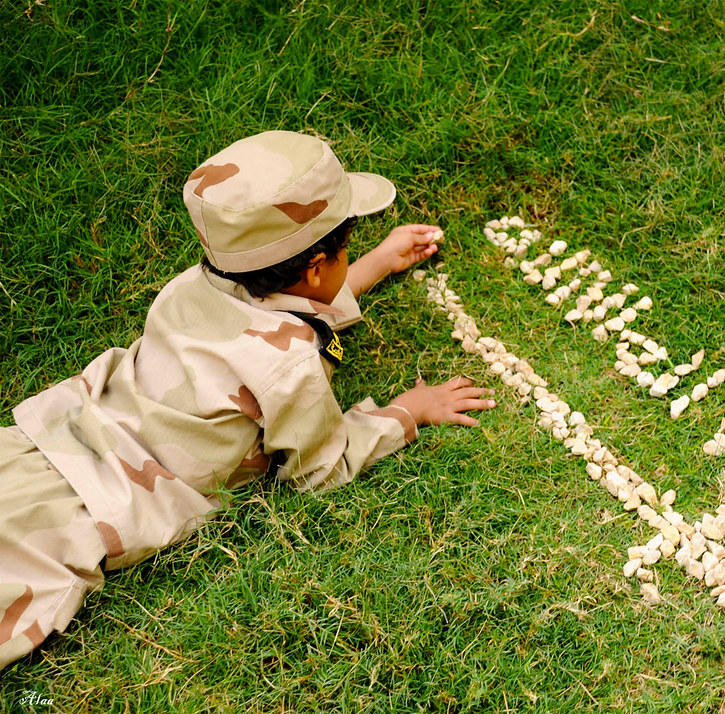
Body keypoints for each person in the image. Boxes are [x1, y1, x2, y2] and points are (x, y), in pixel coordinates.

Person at [0, 130, 496, 669]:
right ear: (316, 268)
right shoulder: (288, 368)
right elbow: (320, 468)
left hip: (52, 442)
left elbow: (288, 306)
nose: (350, 259)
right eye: (345, 251)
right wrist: (406, 412)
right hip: (93, 508)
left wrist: (377, 261)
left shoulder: (196, 283)